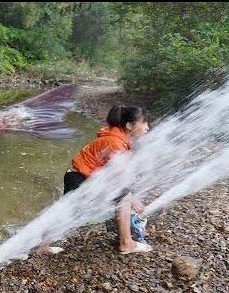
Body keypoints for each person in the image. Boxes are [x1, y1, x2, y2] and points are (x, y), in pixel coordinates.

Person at [35, 105, 152, 256]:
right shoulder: (115, 142)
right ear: (129, 125)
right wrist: (133, 200)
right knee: (123, 197)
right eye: (144, 123)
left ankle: (43, 245)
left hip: (81, 177)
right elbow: (116, 178)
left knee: (68, 212)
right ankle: (126, 243)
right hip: (79, 178)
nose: (147, 127)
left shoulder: (118, 140)